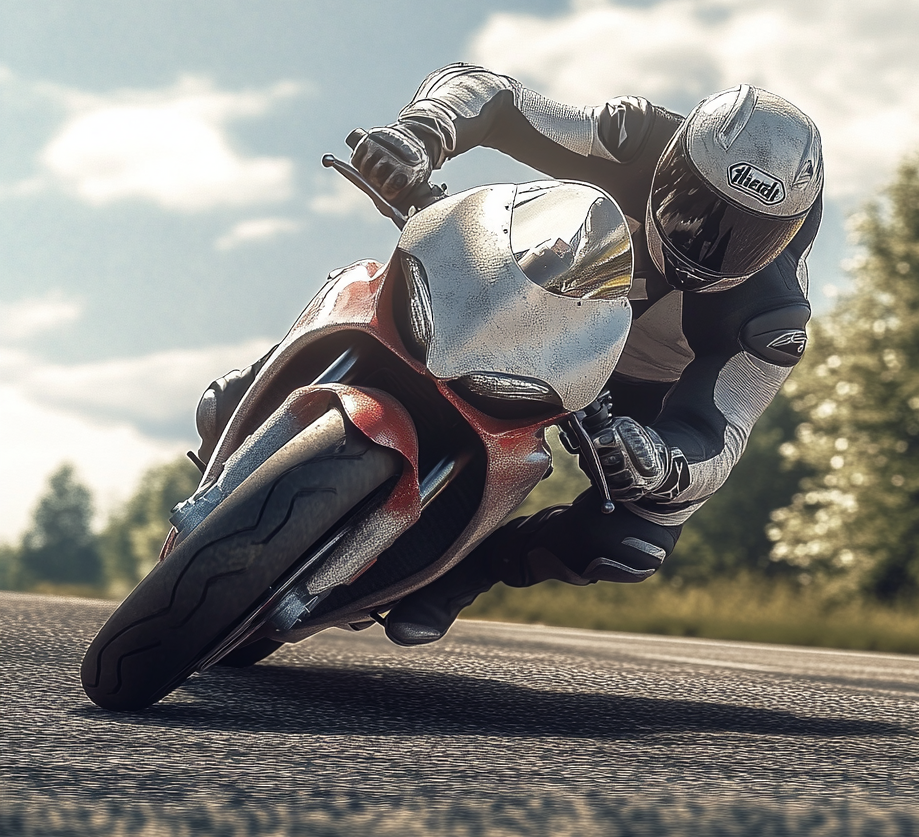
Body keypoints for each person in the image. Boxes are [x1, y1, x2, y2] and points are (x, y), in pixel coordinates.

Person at [197, 63, 823, 648]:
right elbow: (496, 99)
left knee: (629, 543)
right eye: (697, 206)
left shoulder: (774, 321)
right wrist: (420, 134)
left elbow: (721, 432)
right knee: (379, 282)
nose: (709, 241)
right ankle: (262, 384)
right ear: (674, 163)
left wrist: (666, 463)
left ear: (789, 233)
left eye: (750, 233)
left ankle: (473, 567)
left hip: (644, 394)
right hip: (546, 299)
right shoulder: (633, 136)